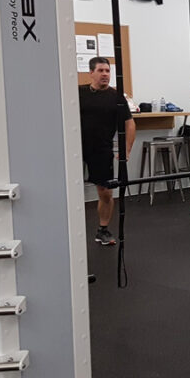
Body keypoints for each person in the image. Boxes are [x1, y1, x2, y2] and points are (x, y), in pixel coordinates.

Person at [78, 57, 135, 245]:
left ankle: (102, 230)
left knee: (106, 193)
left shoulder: (116, 97)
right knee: (69, 191)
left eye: (107, 71)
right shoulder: (79, 93)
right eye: (101, 70)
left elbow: (130, 124)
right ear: (91, 73)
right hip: (76, 149)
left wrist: (126, 149)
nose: (105, 74)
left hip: (101, 150)